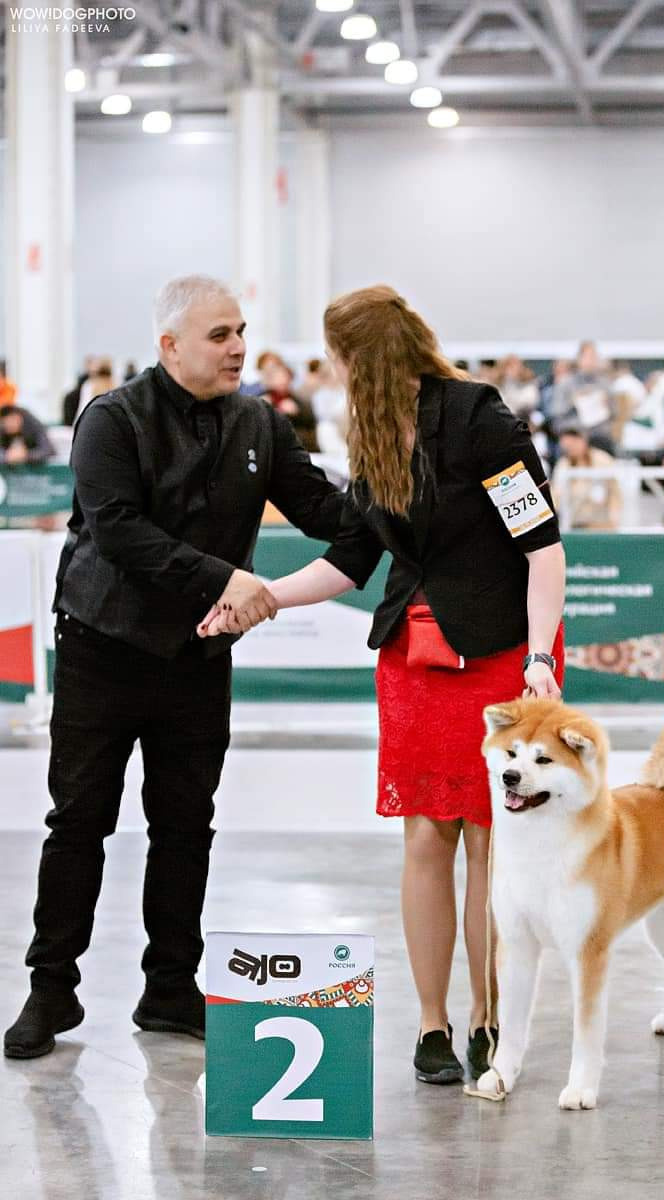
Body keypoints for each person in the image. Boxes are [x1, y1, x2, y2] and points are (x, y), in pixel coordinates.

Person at [199, 285, 566, 1087]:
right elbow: (349, 561)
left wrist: (541, 657)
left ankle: (488, 1015)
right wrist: (256, 599)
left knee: (490, 840)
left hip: (507, 653)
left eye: (336, 359)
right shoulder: (370, 440)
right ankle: (434, 1022)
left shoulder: (478, 416)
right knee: (426, 834)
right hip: (416, 656)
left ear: (358, 359)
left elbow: (542, 547)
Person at [3, 275, 344, 1060]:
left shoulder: (261, 421)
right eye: (219, 335)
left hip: (197, 658)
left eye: (241, 332)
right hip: (101, 647)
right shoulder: (110, 419)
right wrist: (227, 579)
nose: (237, 348)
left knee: (187, 826)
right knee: (78, 822)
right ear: (169, 344)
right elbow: (118, 530)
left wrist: (413, 522)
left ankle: (169, 989)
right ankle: (51, 989)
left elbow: (330, 513)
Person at [551, 425, 622, 529]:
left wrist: (614, 517)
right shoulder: (563, 465)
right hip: (575, 524)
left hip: (603, 524)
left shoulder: (603, 460)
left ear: (582, 440)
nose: (571, 449)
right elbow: (555, 494)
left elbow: (615, 491)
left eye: (573, 444)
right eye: (567, 447)